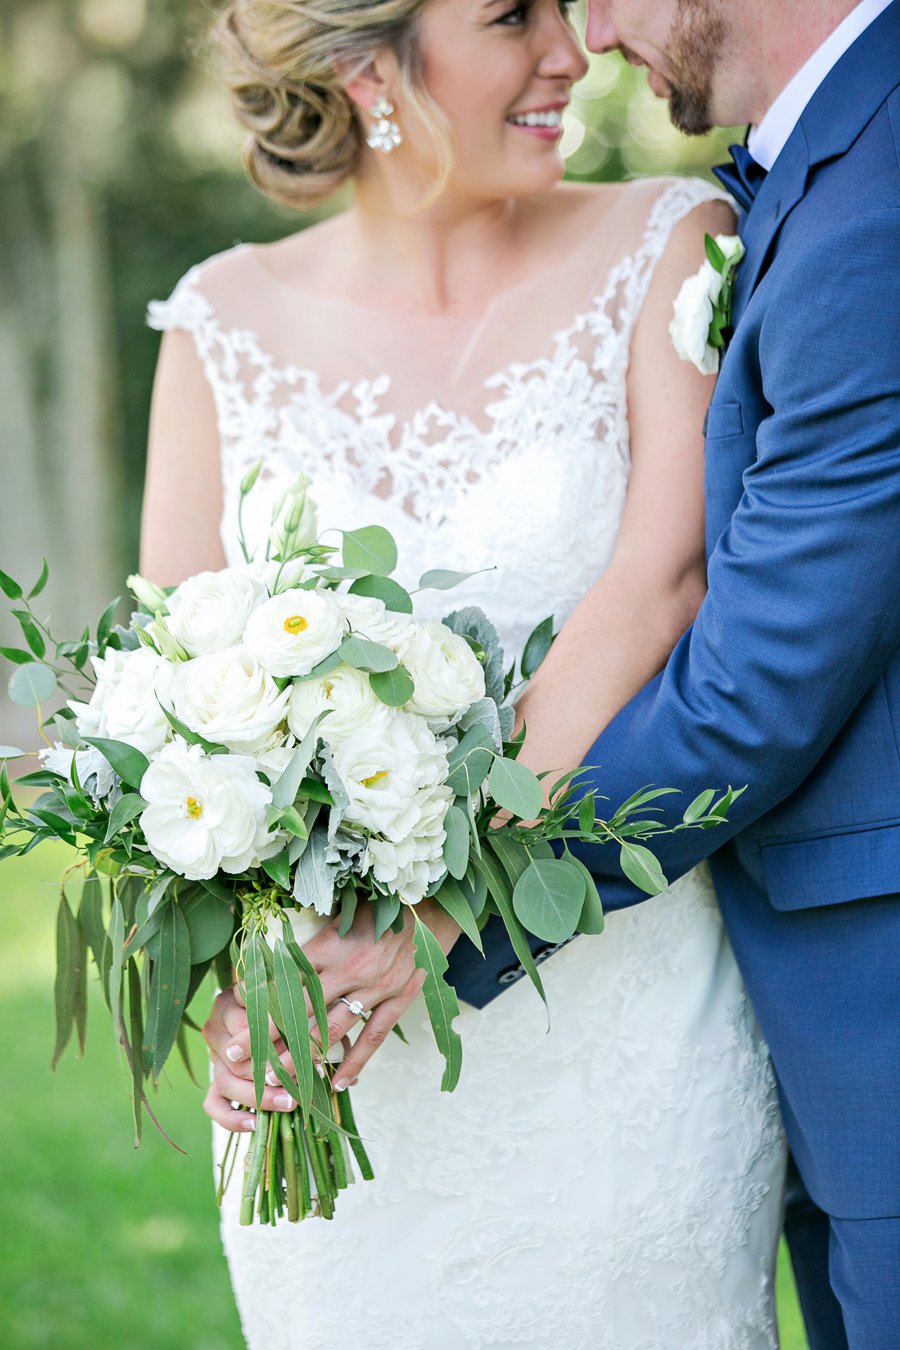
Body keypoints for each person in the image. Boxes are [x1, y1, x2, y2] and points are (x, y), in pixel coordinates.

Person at [144, 1, 787, 1345]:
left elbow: (660, 585)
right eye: (511, 15)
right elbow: (174, 704)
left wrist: (430, 912)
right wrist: (242, 1001)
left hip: (617, 1036)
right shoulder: (217, 323)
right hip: (346, 1075)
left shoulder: (675, 241)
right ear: (366, 60)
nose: (571, 51)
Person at [351, 0, 897, 1346]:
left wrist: (445, 910)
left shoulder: (874, 207)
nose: (588, 36)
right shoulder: (832, 161)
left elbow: (752, 686)